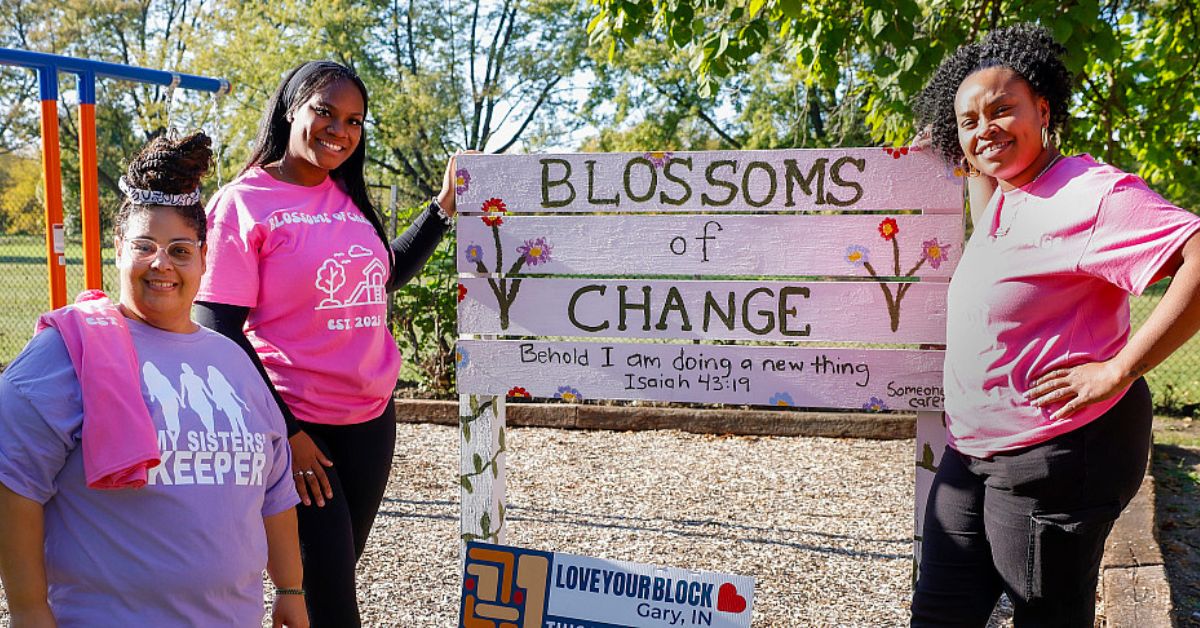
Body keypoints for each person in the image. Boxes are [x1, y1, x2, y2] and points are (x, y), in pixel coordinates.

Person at [909, 23, 1200, 626]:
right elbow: (982, 175)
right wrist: (961, 149)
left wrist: (1121, 368)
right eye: (967, 121)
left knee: (1045, 616)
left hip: (1056, 453)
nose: (985, 127)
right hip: (972, 452)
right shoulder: (1009, 196)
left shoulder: (1090, 195)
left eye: (1002, 110)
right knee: (939, 614)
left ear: (1043, 110)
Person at [0, 132, 307, 627]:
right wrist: (30, 610)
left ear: (204, 258)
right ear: (119, 248)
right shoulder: (65, 351)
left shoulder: (233, 361)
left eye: (180, 250)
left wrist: (290, 588)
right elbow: (15, 484)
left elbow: (274, 490)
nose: (162, 263)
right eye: (145, 246)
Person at [193, 60, 459, 626]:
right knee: (331, 599)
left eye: (355, 120)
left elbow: (382, 274)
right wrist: (288, 433)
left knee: (325, 585)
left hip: (371, 420)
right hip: (299, 427)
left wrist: (441, 209)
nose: (340, 129)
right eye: (325, 112)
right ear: (292, 108)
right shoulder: (243, 204)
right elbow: (218, 328)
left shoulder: (346, 196)